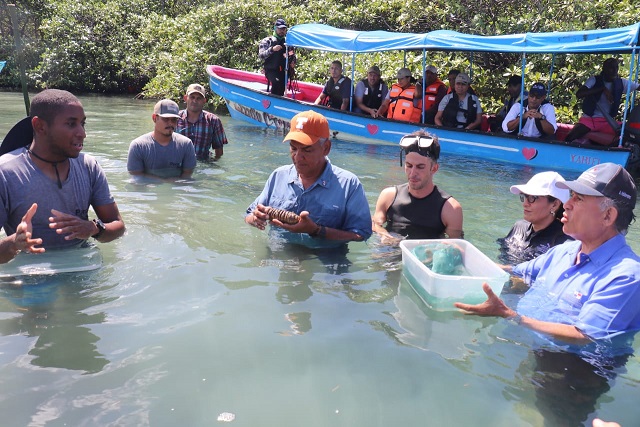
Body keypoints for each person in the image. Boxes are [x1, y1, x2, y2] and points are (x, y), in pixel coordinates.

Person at [455, 162, 640, 344]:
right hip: (527, 347)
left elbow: (587, 337)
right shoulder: (563, 252)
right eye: (572, 196)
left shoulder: (626, 276)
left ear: (608, 215)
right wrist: (465, 257)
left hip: (570, 369)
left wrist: (511, 316)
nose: (567, 205)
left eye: (579, 199)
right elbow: (514, 271)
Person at [0, 89, 125, 263]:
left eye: (83, 124)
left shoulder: (89, 167)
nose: (82, 133)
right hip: (30, 274)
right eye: (71, 124)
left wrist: (94, 228)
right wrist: (14, 243)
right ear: (39, 126)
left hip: (81, 266)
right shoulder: (5, 173)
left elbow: (118, 226)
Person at [245, 110, 372, 244]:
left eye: (307, 150)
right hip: (278, 258)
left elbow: (361, 234)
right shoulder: (278, 176)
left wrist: (317, 231)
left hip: (326, 261)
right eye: (293, 148)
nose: (298, 157)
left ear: (326, 148)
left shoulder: (349, 185)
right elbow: (249, 213)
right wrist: (255, 219)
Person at [372, 130, 463, 241]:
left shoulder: (451, 208)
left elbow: (457, 245)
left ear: (434, 168)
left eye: (420, 167)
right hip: (390, 252)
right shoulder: (388, 196)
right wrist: (383, 234)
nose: (413, 173)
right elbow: (375, 224)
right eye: (409, 165)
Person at [497, 171, 571, 265]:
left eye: (533, 198)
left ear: (555, 205)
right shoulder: (519, 226)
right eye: (525, 196)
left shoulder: (564, 243)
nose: (525, 204)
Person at [565, 58, 640, 146]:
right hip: (590, 120)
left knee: (628, 135)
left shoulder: (621, 82)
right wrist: (602, 89)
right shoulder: (594, 80)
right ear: (604, 69)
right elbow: (579, 94)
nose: (614, 71)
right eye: (611, 68)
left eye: (616, 68)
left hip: (608, 121)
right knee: (569, 138)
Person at [127, 99, 197, 180]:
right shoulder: (138, 146)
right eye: (166, 119)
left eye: (174, 119)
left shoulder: (186, 144)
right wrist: (164, 181)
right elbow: (136, 178)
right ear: (154, 118)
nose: (170, 123)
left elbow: (187, 176)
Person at [177, 83, 228, 161]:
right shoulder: (175, 118)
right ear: (185, 98)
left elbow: (219, 151)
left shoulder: (213, 121)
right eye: (192, 97)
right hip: (179, 163)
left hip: (203, 164)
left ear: (204, 101)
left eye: (199, 98)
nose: (195, 101)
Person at [258, 18, 295, 96]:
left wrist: (293, 61)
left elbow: (292, 55)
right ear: (275, 28)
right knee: (276, 83)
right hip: (271, 70)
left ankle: (280, 103)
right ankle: (273, 102)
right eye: (280, 29)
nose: (282, 31)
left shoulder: (287, 43)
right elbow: (261, 56)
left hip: (284, 71)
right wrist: (272, 49)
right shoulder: (267, 41)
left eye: (284, 29)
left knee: (282, 85)